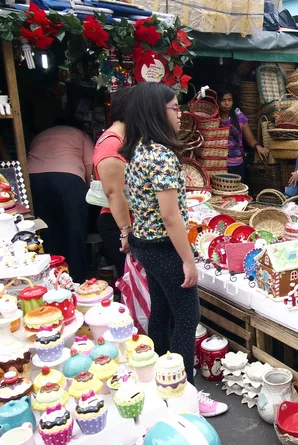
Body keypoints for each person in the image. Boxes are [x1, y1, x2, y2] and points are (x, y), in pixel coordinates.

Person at [120, 83, 227, 417]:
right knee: (187, 317)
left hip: (145, 244)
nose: (180, 114)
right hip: (163, 248)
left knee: (162, 313)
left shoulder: (140, 149)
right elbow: (170, 217)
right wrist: (188, 260)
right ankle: (186, 396)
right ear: (157, 112)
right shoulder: (162, 155)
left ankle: (158, 383)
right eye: (175, 108)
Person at [28, 118, 94, 282]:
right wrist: (87, 192)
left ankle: (51, 278)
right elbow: (90, 167)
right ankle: (77, 278)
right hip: (68, 181)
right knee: (74, 231)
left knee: (46, 232)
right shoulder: (81, 136)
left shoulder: (40, 135)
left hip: (33, 181)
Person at [93, 87, 134, 278]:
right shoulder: (112, 143)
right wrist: (125, 231)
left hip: (122, 220)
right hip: (116, 222)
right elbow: (113, 192)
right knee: (130, 280)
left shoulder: (123, 140)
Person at [217, 86, 269, 184]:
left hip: (238, 164)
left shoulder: (239, 117)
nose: (227, 103)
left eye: (229, 100)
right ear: (218, 101)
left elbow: (250, 139)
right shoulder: (213, 119)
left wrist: (258, 147)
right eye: (223, 100)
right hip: (219, 165)